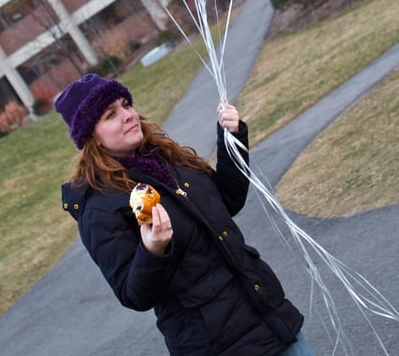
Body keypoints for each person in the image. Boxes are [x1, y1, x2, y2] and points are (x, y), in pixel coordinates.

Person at [56, 73, 313, 356]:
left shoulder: (165, 156)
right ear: (91, 136)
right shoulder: (99, 206)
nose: (128, 115)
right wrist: (153, 251)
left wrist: (231, 139)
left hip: (268, 312)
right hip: (218, 343)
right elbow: (133, 294)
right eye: (111, 114)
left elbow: (226, 202)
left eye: (126, 104)